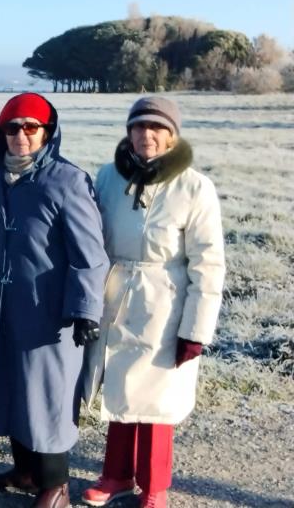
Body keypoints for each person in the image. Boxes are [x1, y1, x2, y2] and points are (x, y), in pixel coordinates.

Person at [79, 97, 225, 508]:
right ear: (129, 132)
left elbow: (208, 264)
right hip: (116, 293)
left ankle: (154, 486)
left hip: (166, 301)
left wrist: (196, 330)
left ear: (172, 135)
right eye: (139, 126)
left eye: (157, 128)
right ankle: (116, 475)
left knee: (157, 397)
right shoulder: (108, 177)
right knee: (120, 388)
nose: (147, 135)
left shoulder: (195, 187)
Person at [0, 93, 109, 508]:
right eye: (12, 128)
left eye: (31, 127)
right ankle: (25, 471)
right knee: (13, 386)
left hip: (50, 313)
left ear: (48, 132)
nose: (21, 136)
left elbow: (90, 254)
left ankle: (56, 486)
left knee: (48, 394)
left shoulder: (67, 181)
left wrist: (86, 310)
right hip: (2, 306)